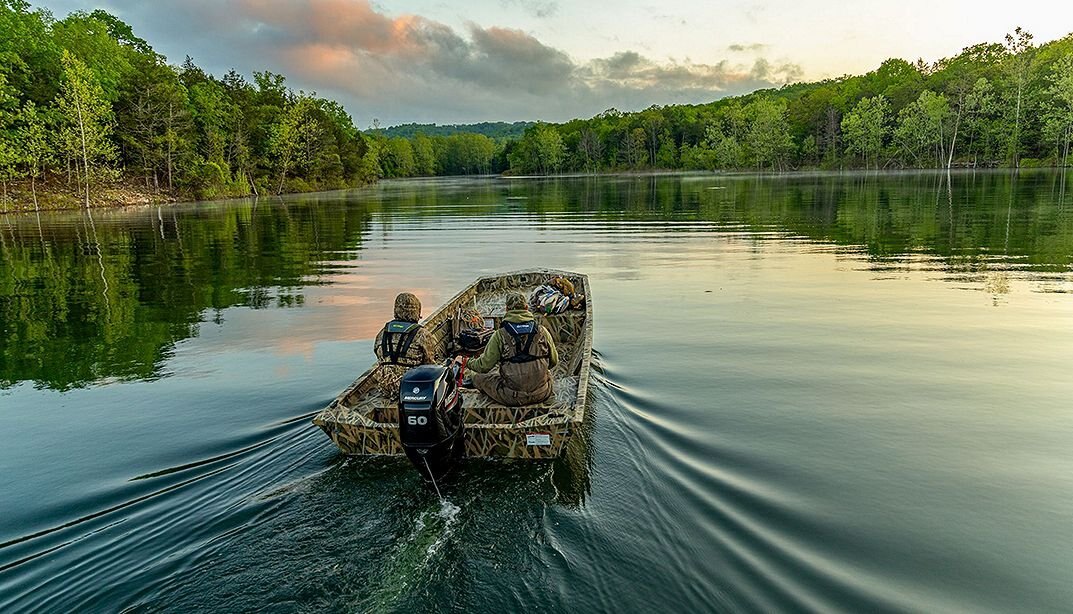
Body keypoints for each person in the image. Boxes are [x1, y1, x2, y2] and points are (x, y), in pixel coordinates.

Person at [459, 291, 559, 406]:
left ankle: (471, 380)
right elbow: (554, 361)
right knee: (547, 374)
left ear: (507, 309)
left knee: (479, 378)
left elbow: (483, 366)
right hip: (542, 393)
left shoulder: (500, 334)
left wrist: (466, 362)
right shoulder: (542, 331)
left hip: (512, 397)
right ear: (526, 308)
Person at [372, 292, 438, 397]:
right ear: (417, 311)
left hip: (385, 388)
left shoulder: (382, 333)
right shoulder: (422, 334)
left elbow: (378, 355)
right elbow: (430, 364)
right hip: (412, 388)